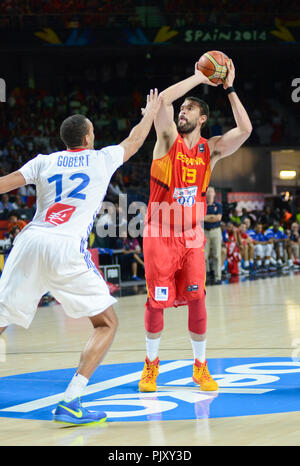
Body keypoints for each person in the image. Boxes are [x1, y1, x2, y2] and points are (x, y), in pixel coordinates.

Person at [0, 88, 161, 426]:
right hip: (64, 246)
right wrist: (150, 112)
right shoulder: (101, 158)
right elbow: (134, 140)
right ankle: (71, 400)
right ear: (88, 137)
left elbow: (3, 185)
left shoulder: (43, 161)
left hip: (29, 242)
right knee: (106, 323)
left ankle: (72, 401)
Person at [139, 59, 252, 392]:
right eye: (182, 108)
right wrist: (197, 77)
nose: (182, 112)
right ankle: (151, 367)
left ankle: (200, 367)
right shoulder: (167, 140)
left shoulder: (211, 149)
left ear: (202, 119)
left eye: (190, 109)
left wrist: (229, 87)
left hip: (191, 237)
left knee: (198, 299)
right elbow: (162, 103)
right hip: (160, 234)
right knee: (156, 302)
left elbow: (245, 130)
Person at [204, 186, 223, 285]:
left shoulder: (218, 205)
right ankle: (205, 278)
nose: (210, 193)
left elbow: (218, 218)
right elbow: (201, 218)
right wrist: (212, 217)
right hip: (205, 231)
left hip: (216, 231)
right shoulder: (202, 205)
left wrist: (208, 217)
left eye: (211, 191)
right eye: (208, 191)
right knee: (204, 256)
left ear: (215, 193)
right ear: (205, 193)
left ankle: (218, 277)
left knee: (217, 255)